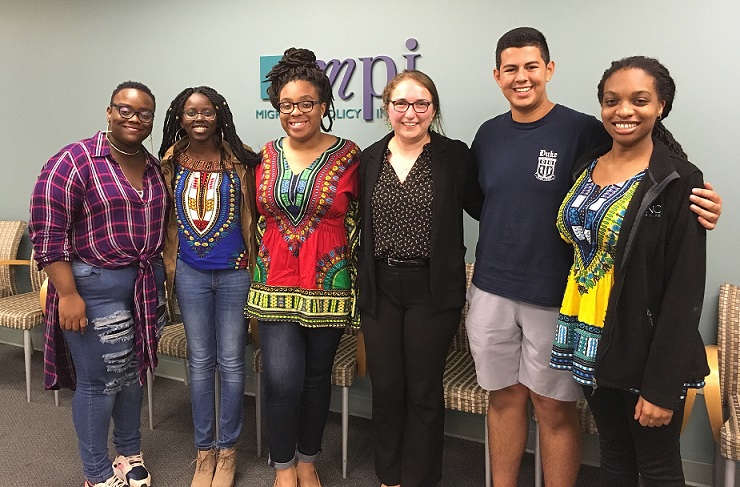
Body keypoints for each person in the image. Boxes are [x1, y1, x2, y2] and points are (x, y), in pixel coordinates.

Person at [464, 27, 723, 487]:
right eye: (510, 69)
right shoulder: (489, 135)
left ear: (549, 68)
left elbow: (653, 192)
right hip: (506, 294)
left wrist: (699, 202)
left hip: (559, 299)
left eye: (530, 66)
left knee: (555, 409)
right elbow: (485, 201)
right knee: (506, 401)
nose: (521, 77)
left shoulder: (585, 130)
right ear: (497, 75)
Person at [550, 56, 709, 486]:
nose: (624, 111)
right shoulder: (586, 165)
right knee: (615, 458)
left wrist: (661, 386)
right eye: (612, 100)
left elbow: (685, 289)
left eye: (640, 100)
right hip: (590, 337)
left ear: (661, 106)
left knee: (656, 468)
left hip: (643, 348)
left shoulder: (678, 180)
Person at [29, 81, 166, 487]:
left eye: (144, 113)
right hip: (93, 286)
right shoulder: (75, 160)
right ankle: (96, 471)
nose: (134, 119)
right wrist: (67, 294)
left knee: (131, 372)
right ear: (109, 112)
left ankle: (128, 452)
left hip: (142, 285)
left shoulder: (153, 165)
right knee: (100, 380)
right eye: (125, 110)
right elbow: (47, 231)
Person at [245, 47, 360, 487]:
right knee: (281, 378)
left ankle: (308, 459)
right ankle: (283, 465)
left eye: (306, 103)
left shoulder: (350, 156)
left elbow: (363, 221)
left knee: (315, 379)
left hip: (329, 284)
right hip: (274, 284)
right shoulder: (264, 156)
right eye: (286, 105)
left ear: (324, 106)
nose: (296, 113)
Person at [357, 70, 473, 487]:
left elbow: (490, 205)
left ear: (433, 109)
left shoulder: (454, 156)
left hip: (432, 289)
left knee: (423, 390)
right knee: (387, 387)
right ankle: (389, 476)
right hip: (380, 288)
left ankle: (421, 478)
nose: (411, 112)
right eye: (401, 104)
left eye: (421, 103)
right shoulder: (368, 159)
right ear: (387, 109)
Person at [159, 86, 261, 487]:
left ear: (219, 115)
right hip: (189, 274)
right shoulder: (168, 162)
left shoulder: (242, 159)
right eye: (190, 112)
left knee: (233, 362)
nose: (198, 119)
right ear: (179, 118)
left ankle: (228, 451)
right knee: (200, 362)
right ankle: (204, 453)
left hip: (236, 273)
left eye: (207, 112)